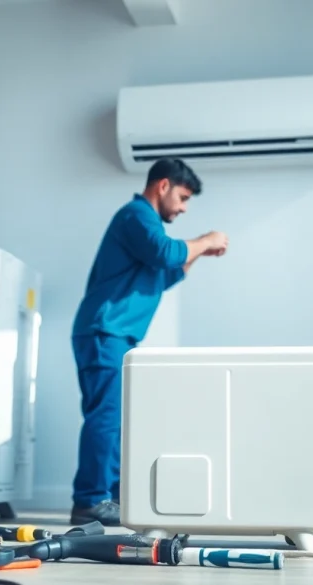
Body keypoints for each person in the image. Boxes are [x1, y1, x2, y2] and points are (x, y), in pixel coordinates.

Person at [69, 158, 229, 526]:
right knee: (106, 417)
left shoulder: (146, 226)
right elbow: (165, 253)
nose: (184, 208)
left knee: (118, 419)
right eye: (183, 197)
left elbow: (166, 274)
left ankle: (107, 498)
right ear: (163, 186)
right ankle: (90, 500)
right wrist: (204, 240)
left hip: (117, 334)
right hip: (103, 330)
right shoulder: (136, 215)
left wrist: (199, 251)